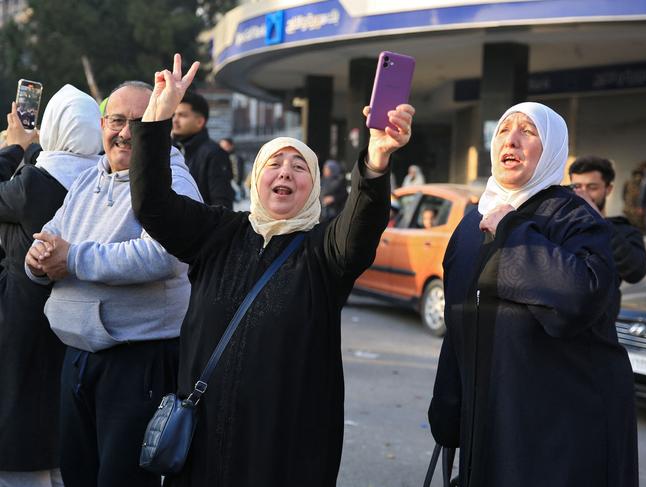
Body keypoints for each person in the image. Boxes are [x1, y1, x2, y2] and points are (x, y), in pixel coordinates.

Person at [128, 54, 414, 487]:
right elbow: (152, 204)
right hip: (202, 448)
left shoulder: (323, 251)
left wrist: (375, 161)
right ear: (256, 178)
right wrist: (157, 122)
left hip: (283, 452)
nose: (285, 173)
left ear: (313, 185)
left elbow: (360, 228)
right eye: (274, 165)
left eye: (299, 167)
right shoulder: (219, 232)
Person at [428, 102, 637, 487]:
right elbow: (460, 319)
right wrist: (449, 408)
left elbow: (582, 296)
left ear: (553, 147)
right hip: (490, 421)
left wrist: (513, 232)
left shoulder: (574, 216)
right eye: (504, 130)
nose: (512, 139)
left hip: (562, 431)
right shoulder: (472, 224)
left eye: (529, 131)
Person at [24, 81, 203, 487]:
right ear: (101, 124)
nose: (124, 132)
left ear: (159, 127)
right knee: (78, 476)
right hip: (77, 357)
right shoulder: (89, 179)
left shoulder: (172, 179)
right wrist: (37, 261)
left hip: (136, 362)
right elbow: (48, 240)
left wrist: (72, 258)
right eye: (117, 120)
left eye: (139, 124)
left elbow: (162, 255)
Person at [0, 85, 101, 487]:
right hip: (77, 315)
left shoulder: (34, 183)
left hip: (20, 315)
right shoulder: (101, 179)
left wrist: (15, 146)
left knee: (18, 414)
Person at [569, 156, 646, 305]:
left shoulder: (624, 230)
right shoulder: (561, 226)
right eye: (577, 187)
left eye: (592, 187)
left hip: (601, 322)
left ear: (608, 189)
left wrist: (597, 220)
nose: (583, 194)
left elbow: (635, 271)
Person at [172, 91, 234, 208]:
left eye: (182, 115)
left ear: (200, 121)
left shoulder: (214, 154)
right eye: (174, 115)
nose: (175, 120)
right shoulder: (172, 150)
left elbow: (222, 204)